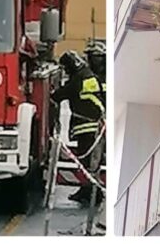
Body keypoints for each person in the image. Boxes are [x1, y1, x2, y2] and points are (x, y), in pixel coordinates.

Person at [53, 50, 105, 205]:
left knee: (87, 163)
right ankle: (88, 191)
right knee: (91, 163)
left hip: (86, 127)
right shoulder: (87, 74)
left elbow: (59, 95)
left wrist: (53, 91)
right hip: (94, 124)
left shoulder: (78, 79)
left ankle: (93, 194)